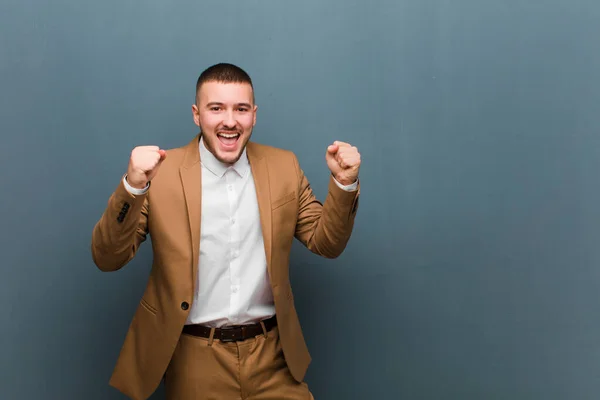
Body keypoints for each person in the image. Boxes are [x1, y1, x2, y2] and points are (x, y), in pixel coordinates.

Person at [91, 62, 361, 400]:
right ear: (196, 114)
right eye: (216, 108)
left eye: (241, 109)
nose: (230, 120)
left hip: (273, 356)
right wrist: (132, 187)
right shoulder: (160, 173)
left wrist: (344, 183)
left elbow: (327, 243)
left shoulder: (284, 167)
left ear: (254, 115)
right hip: (195, 357)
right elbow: (107, 258)